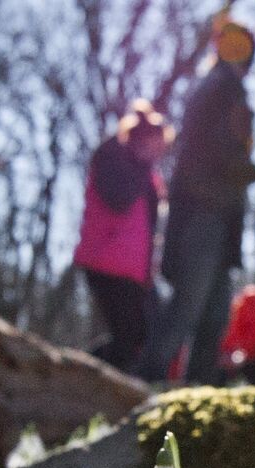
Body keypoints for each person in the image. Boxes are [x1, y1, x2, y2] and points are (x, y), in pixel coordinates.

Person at [136, 16, 255, 385]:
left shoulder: (217, 88)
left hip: (217, 218)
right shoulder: (222, 89)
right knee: (187, 308)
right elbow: (221, 154)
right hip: (204, 216)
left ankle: (195, 395)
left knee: (214, 316)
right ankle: (143, 387)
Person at [72, 100, 172, 373]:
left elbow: (150, 229)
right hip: (106, 262)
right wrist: (140, 164)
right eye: (156, 144)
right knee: (127, 338)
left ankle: (84, 373)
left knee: (141, 337)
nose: (159, 152)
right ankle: (75, 374)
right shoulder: (113, 154)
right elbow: (117, 198)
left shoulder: (147, 173)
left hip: (134, 271)